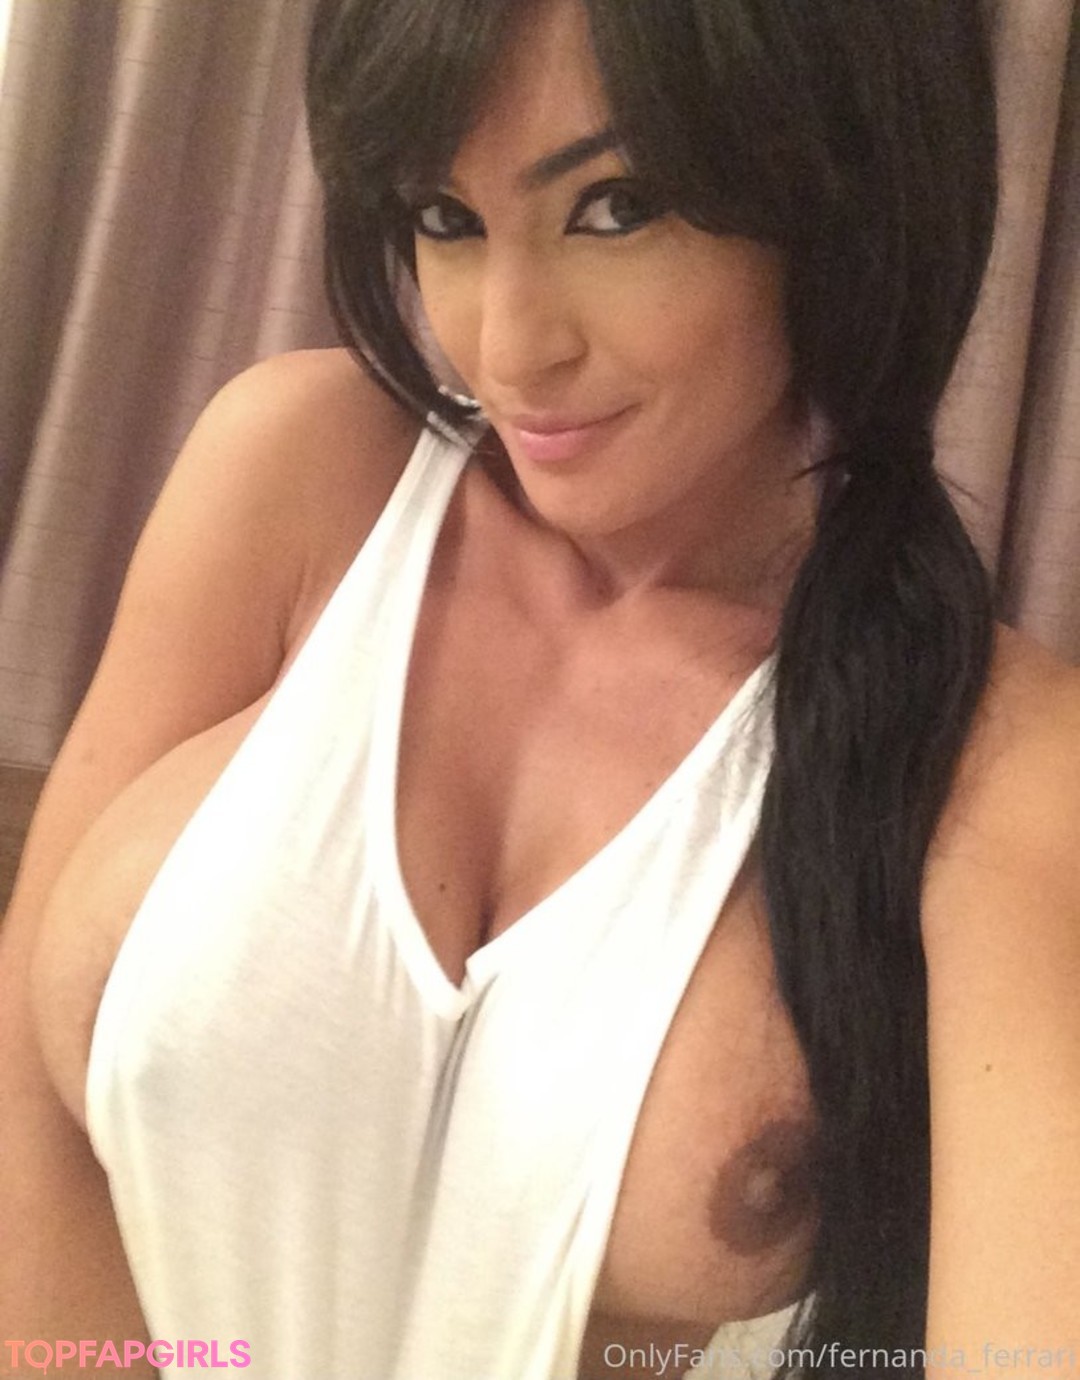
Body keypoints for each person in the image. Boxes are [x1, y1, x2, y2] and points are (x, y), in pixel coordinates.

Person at [1, 0, 1078, 1377]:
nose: (509, 348)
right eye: (445, 218)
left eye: (616, 208)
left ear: (840, 196)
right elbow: (27, 1112)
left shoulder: (993, 761)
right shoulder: (297, 477)